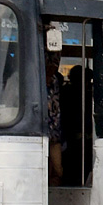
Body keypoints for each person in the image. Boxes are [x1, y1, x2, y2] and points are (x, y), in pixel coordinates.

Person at [46, 49, 64, 186]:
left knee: (57, 169)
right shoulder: (35, 80)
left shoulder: (54, 80)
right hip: (39, 131)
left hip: (54, 133)